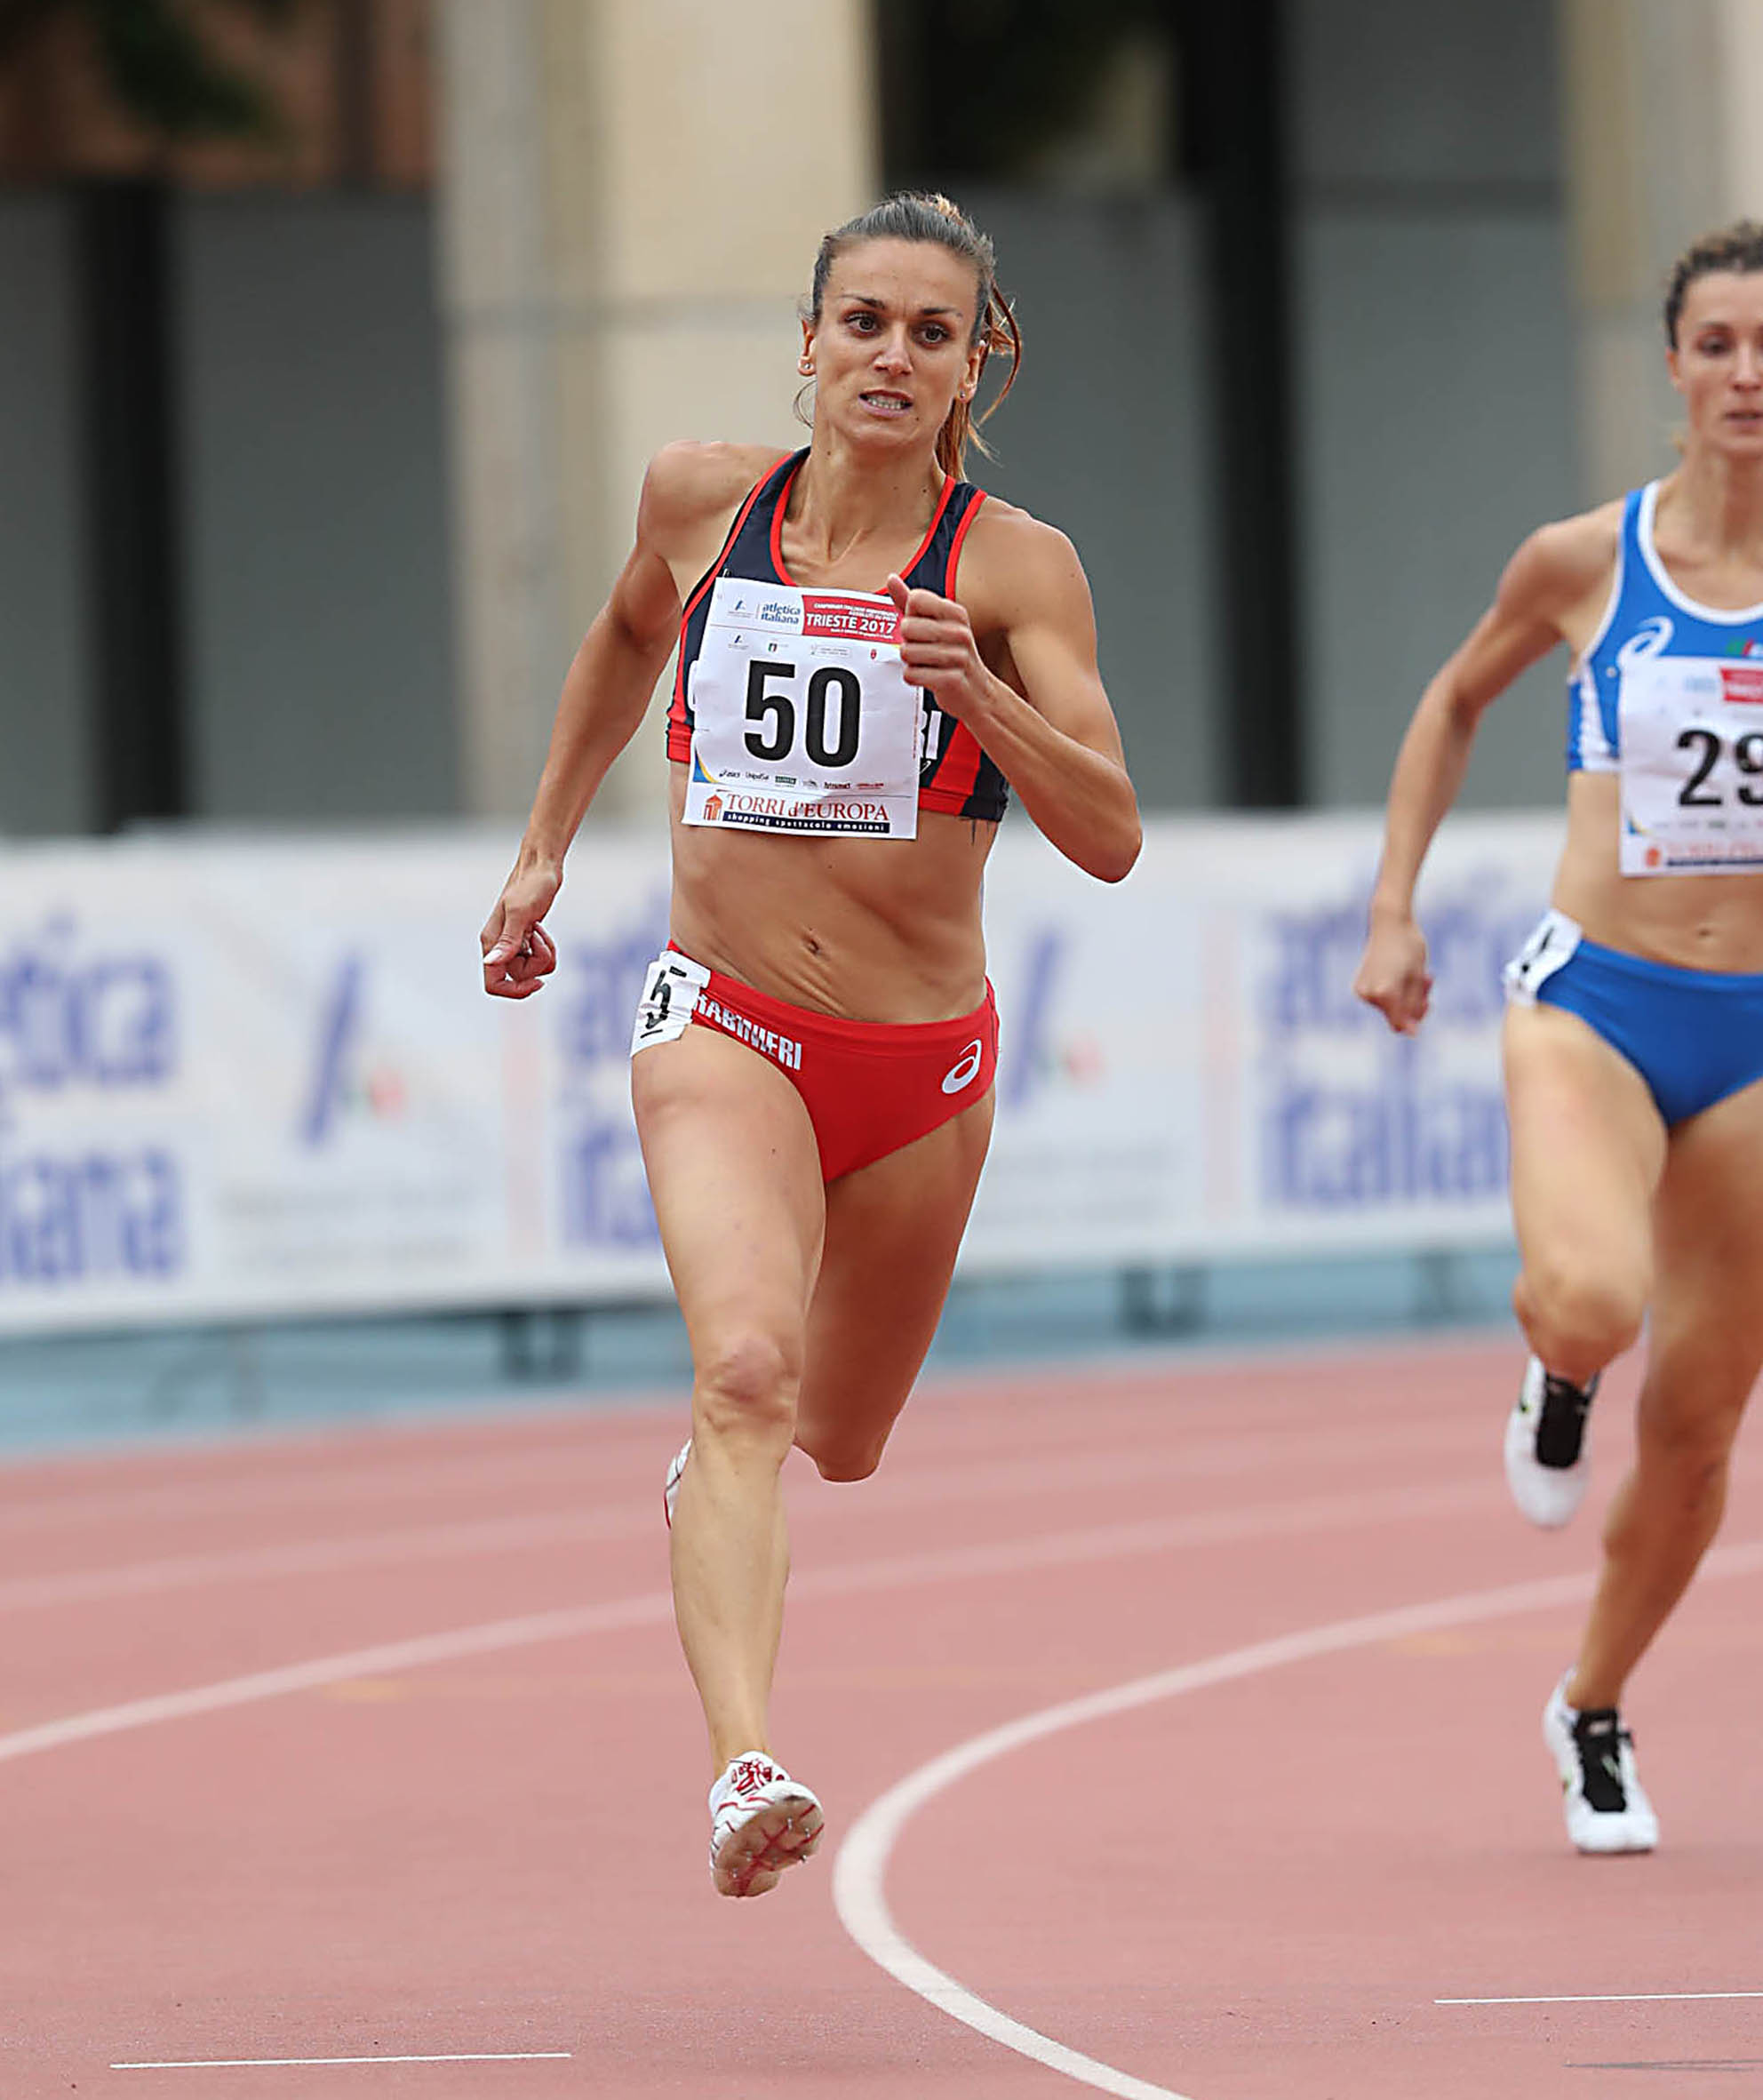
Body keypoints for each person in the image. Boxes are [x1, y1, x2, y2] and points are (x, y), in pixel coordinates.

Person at [480, 192, 1140, 1896]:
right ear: (810, 340)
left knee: (837, 1437)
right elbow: (624, 640)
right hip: (724, 1019)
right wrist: (545, 848)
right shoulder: (702, 503)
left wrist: (980, 694)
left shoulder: (1014, 569)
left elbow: (1113, 835)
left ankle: (721, 1479)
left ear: (975, 362)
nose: (891, 356)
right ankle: (743, 1765)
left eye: (931, 332)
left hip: (920, 1070)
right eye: (864, 322)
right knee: (748, 1377)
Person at [1354, 221, 1763, 1856]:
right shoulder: (1589, 562)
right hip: (1598, 995)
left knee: (1704, 1424)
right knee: (1593, 1298)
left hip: (1756, 1039)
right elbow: (1455, 701)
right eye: (1720, 344)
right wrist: (1395, 908)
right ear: (1673, 366)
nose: (1748, 375)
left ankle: (1592, 1707)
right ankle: (1559, 1366)